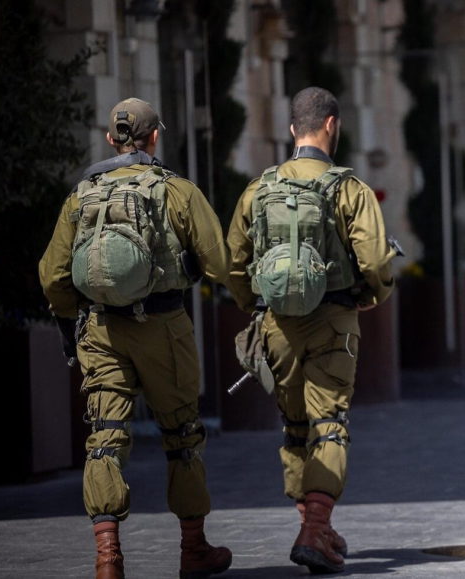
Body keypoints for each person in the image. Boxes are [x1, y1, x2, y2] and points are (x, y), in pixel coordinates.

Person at [38, 98, 232, 579]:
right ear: (154, 137)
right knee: (183, 435)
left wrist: (71, 326)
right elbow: (221, 262)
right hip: (163, 329)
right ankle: (193, 549)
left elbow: (52, 275)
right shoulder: (177, 191)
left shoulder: (81, 195)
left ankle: (108, 560)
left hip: (100, 331)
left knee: (105, 438)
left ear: (110, 139)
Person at [226, 87, 397, 574]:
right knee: (329, 424)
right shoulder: (349, 189)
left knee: (296, 427)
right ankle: (313, 528)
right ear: (331, 125)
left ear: (290, 130)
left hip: (276, 324)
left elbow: (234, 262)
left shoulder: (259, 189)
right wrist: (369, 297)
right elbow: (375, 261)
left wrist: (253, 305)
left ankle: (315, 527)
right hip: (334, 322)